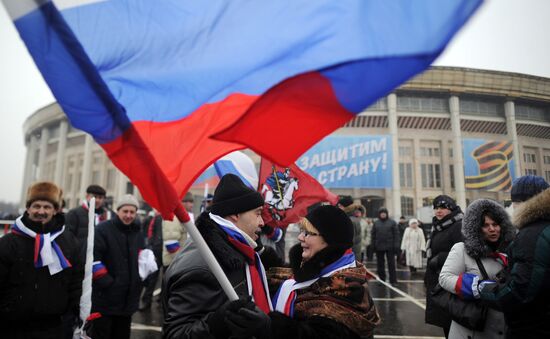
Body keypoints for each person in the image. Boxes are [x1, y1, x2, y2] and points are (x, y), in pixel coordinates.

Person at [232, 205, 380, 339]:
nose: (300, 237)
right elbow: (291, 278)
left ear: (330, 240)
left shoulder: (348, 287)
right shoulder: (322, 268)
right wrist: (260, 252)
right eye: (302, 231)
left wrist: (270, 327)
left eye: (308, 233)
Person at [163, 174, 271, 339]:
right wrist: (219, 322)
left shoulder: (238, 249)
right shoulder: (202, 266)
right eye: (257, 213)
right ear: (235, 214)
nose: (262, 222)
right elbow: (177, 334)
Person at [0, 182, 83, 338]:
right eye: (36, 206)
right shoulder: (8, 242)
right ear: (28, 208)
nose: (41, 211)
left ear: (56, 210)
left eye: (47, 207)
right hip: (12, 327)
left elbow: (76, 281)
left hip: (53, 327)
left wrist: (79, 310)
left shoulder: (68, 242)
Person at [480, 175, 550, 339]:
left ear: (522, 203)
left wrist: (483, 289)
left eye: (514, 202)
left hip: (533, 327)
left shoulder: (531, 235)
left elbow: (520, 292)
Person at [439, 199, 514, 338]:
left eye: (495, 224)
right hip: (470, 328)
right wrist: (476, 287)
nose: (492, 229)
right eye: (486, 225)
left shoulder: (510, 252)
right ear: (476, 228)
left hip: (500, 328)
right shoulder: (461, 249)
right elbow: (445, 278)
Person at [87, 194, 145, 339]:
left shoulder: (137, 232)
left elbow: (141, 256)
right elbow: (93, 260)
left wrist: (142, 277)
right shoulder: (102, 230)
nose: (128, 215)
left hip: (128, 300)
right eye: (125, 211)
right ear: (117, 211)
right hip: (105, 299)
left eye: (132, 212)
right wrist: (109, 283)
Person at [425, 195, 464, 338]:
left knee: (453, 322)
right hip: (438, 277)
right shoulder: (438, 225)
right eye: (436, 208)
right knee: (445, 322)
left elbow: (463, 250)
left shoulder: (458, 225)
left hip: (451, 280)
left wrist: (440, 258)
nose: (438, 211)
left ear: (451, 208)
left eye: (442, 207)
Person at [139, 209, 163, 311]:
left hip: (170, 253)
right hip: (158, 251)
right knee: (152, 277)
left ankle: (161, 300)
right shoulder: (157, 218)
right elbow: (151, 232)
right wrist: (153, 245)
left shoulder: (174, 217)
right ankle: (146, 301)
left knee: (167, 279)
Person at [372, 207, 399, 283]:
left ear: (386, 214)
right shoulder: (376, 223)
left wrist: (396, 245)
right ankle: (381, 280)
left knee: (391, 264)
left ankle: (393, 280)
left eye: (384, 213)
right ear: (379, 214)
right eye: (381, 213)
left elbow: (396, 235)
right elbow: (373, 235)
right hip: (379, 247)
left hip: (390, 247)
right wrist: (373, 246)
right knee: (380, 265)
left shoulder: (392, 222)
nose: (383, 214)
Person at [337, 195, 363, 260]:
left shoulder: (349, 220)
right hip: (352, 256)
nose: (338, 208)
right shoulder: (350, 218)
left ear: (346, 207)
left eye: (340, 206)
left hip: (349, 257)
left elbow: (349, 242)